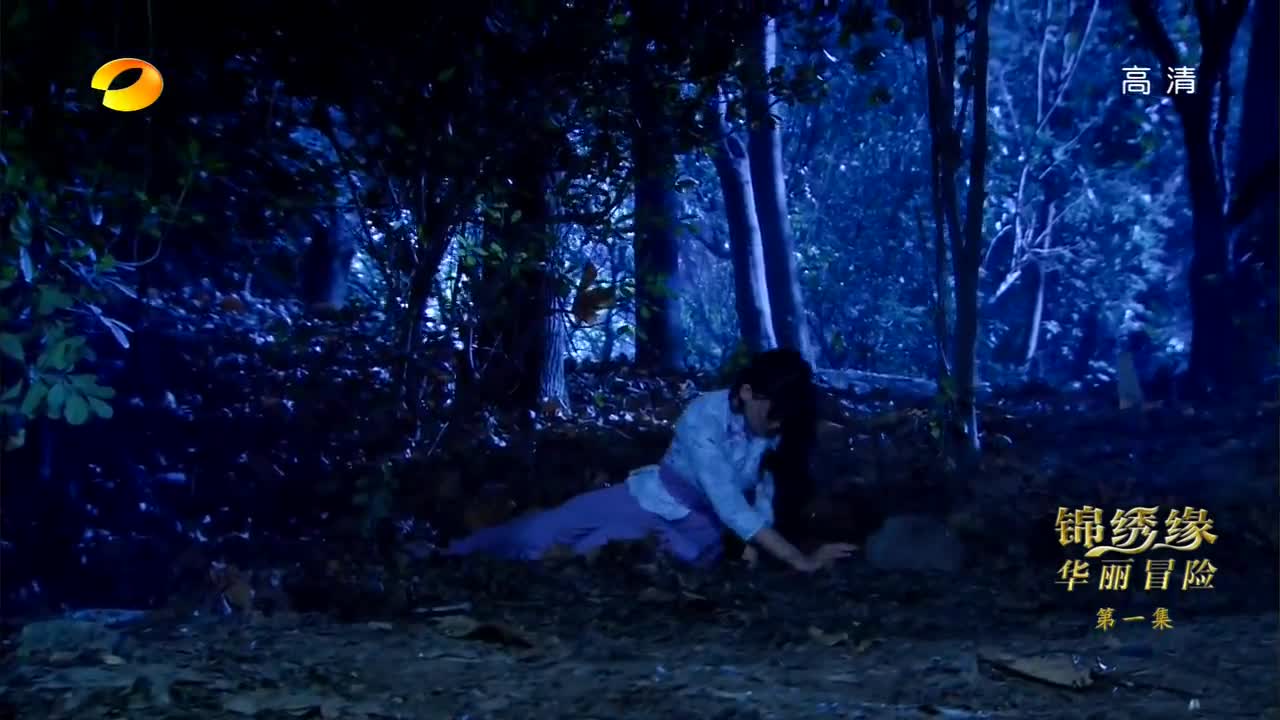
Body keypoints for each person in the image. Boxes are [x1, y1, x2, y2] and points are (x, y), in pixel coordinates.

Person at [444, 349, 856, 572]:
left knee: (595, 550)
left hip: (699, 533)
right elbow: (728, 500)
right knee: (544, 529)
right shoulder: (705, 415)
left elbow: (760, 501)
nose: (777, 424)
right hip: (652, 497)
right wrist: (797, 559)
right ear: (748, 393)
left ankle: (519, 569)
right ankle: (450, 552)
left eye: (786, 417)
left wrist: (756, 551)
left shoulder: (778, 433)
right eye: (773, 412)